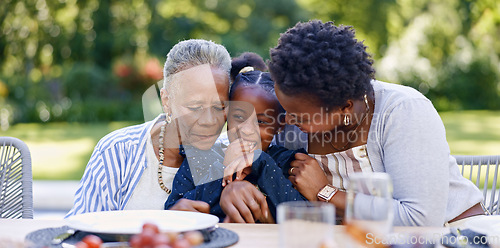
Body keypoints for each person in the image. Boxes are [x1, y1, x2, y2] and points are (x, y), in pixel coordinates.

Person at [220, 20, 484, 226]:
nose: (286, 122)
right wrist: (234, 176)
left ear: (345, 107)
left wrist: (326, 192)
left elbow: (418, 219)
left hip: (451, 234)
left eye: (298, 117)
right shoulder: (296, 112)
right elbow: (217, 146)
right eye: (285, 110)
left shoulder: (402, 112)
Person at [66, 39, 231, 216]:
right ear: (166, 101)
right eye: (194, 107)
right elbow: (82, 231)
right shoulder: (117, 152)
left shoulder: (230, 160)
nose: (209, 121)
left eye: (219, 107)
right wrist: (167, 224)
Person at [165, 69, 308, 222]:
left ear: (280, 126)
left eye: (261, 122)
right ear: (227, 116)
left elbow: (302, 217)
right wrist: (223, 168)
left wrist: (261, 162)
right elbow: (174, 210)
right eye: (239, 117)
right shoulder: (199, 159)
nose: (246, 130)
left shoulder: (287, 163)